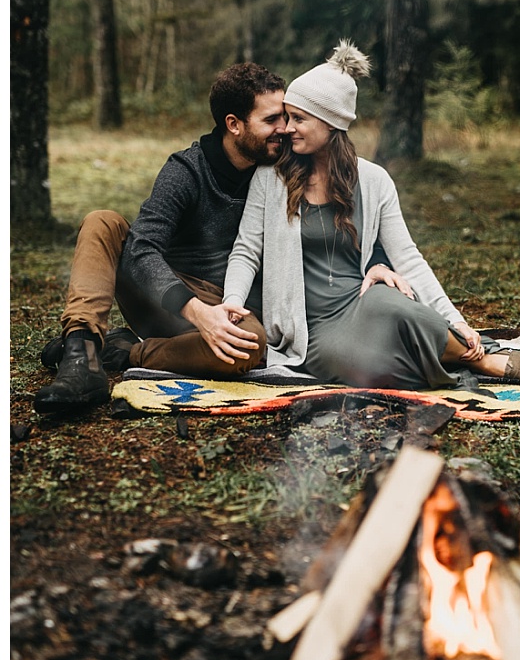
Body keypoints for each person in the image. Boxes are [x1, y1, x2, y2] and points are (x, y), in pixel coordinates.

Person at [30, 63, 404, 416]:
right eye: (272, 119)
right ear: (234, 124)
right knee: (103, 222)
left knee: (249, 346)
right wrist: (195, 310)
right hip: (168, 297)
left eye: (288, 116)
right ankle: (82, 353)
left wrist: (377, 259)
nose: (286, 128)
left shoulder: (287, 165)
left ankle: (127, 352)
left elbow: (348, 207)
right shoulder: (187, 171)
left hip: (233, 308)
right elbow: (144, 247)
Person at [212, 41, 520, 389]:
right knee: (371, 371)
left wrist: (455, 319)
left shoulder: (374, 181)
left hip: (362, 301)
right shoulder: (271, 178)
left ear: (330, 124)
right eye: (287, 118)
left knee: (396, 306)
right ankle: (471, 359)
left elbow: (409, 258)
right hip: (310, 329)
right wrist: (233, 302)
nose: (287, 128)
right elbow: (246, 249)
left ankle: (477, 356)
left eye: (299, 118)